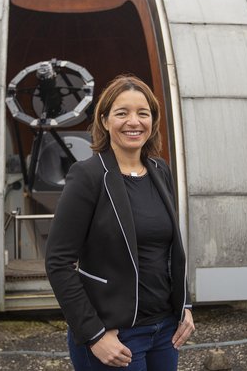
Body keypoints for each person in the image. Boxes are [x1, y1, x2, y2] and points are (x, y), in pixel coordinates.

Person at [45, 74, 195, 370]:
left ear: (153, 120)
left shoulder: (159, 170)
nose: (133, 122)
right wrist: (93, 334)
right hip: (115, 335)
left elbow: (170, 249)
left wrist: (184, 305)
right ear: (104, 120)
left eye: (143, 113)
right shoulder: (87, 177)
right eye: (122, 113)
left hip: (165, 330)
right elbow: (58, 262)